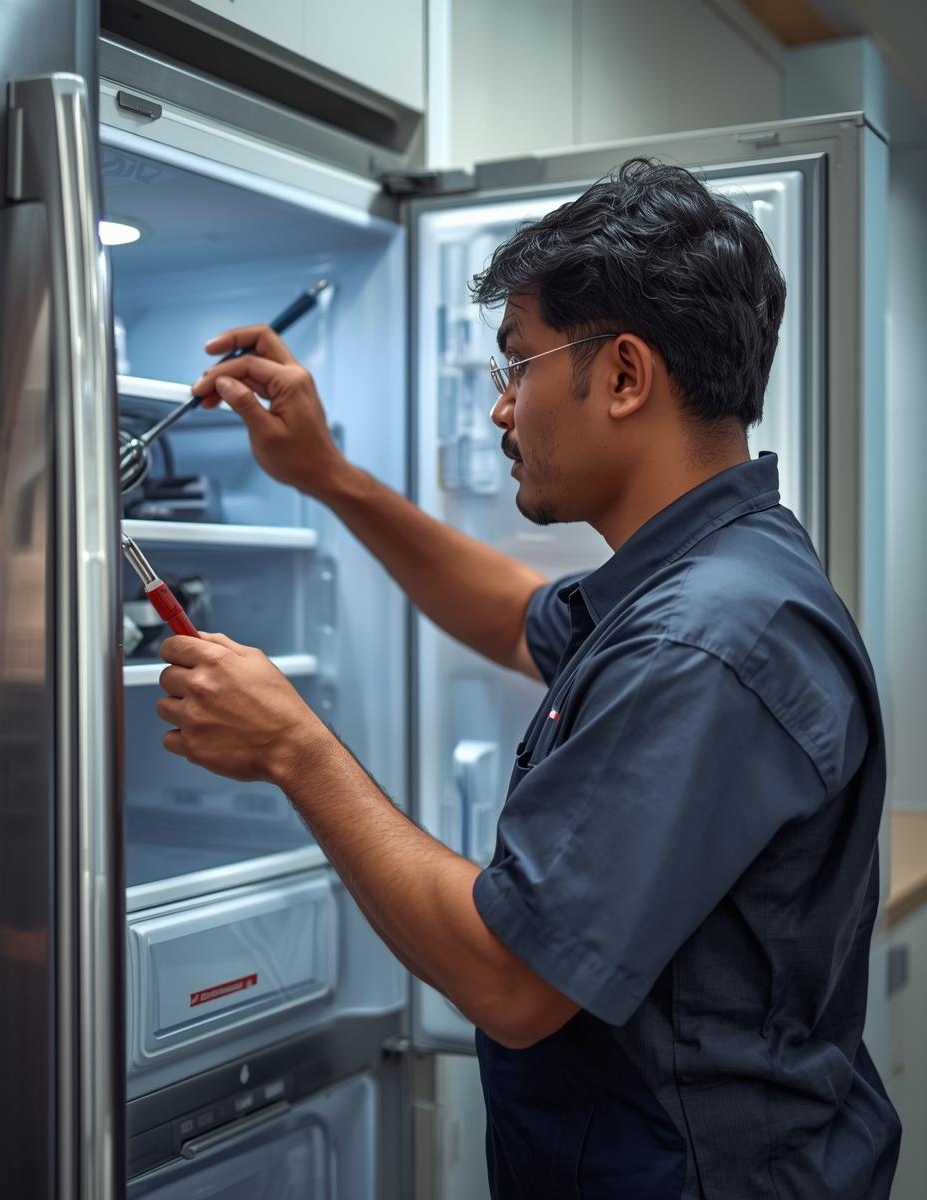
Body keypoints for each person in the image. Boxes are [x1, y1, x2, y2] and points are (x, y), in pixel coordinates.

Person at [158, 158, 901, 1199]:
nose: (503, 411)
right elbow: (512, 612)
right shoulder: (711, 572)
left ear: (625, 377)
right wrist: (327, 476)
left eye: (519, 366)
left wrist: (293, 746)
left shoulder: (701, 640)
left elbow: (513, 981)